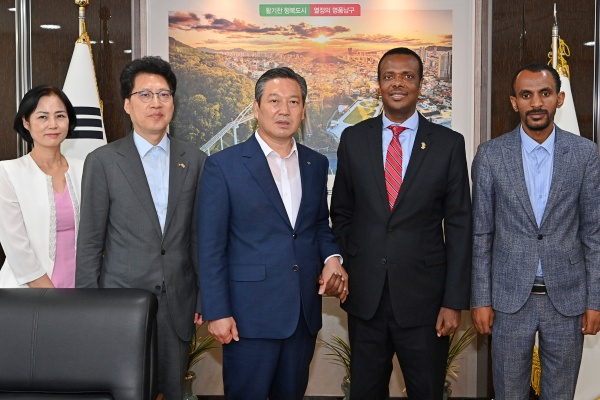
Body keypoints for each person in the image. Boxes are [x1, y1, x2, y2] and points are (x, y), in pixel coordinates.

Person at [198, 67, 348, 400]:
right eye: (274, 101)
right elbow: (210, 247)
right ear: (256, 108)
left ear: (303, 110)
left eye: (293, 102)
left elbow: (317, 225)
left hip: (302, 315)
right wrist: (217, 311)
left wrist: (332, 257)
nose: (284, 110)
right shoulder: (223, 165)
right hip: (247, 317)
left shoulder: (315, 164)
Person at [330, 47, 472, 399]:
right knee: (365, 392)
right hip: (366, 298)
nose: (398, 83)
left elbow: (459, 226)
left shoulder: (448, 144)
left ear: (421, 84)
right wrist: (349, 265)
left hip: (426, 303)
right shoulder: (354, 138)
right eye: (389, 76)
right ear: (378, 84)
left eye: (408, 76)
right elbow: (342, 213)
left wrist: (453, 301)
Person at [76, 56, 206, 400]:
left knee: (172, 391)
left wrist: (202, 295)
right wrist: (88, 306)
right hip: (120, 303)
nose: (155, 103)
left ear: (173, 102)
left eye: (163, 94)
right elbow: (89, 242)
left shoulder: (195, 160)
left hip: (178, 304)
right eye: (145, 95)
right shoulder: (103, 161)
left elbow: (198, 236)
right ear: (127, 104)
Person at [471, 62, 600, 398]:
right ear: (514, 102)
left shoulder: (585, 154)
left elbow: (593, 234)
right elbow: (481, 234)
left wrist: (595, 300)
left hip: (567, 300)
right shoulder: (490, 156)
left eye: (545, 93)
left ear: (559, 98)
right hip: (509, 299)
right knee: (509, 393)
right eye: (526, 95)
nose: (536, 103)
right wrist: (480, 299)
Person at [0, 85, 83, 288]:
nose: (53, 125)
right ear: (26, 122)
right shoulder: (7, 173)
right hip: (27, 293)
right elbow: (17, 249)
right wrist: (52, 299)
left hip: (82, 290)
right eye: (43, 117)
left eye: (60, 116)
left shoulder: (85, 168)